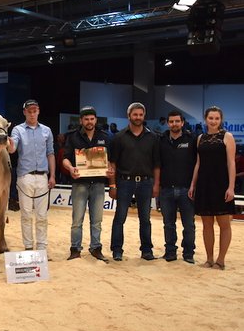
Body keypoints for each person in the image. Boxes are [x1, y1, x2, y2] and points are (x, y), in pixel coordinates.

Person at [108, 102, 160, 261]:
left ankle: (146, 251)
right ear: (128, 115)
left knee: (145, 219)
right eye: (135, 114)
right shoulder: (119, 137)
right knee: (120, 217)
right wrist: (112, 185)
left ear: (144, 116)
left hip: (146, 183)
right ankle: (117, 250)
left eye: (140, 115)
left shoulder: (153, 137)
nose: (138, 117)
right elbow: (112, 164)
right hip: (124, 182)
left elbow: (157, 164)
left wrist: (156, 185)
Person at [188, 106, 236, 270]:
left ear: (220, 120)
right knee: (206, 224)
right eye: (211, 118)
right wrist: (193, 184)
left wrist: (231, 187)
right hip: (204, 185)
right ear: (205, 119)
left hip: (221, 185)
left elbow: (231, 163)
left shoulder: (227, 137)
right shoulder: (200, 138)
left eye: (216, 118)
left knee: (224, 224)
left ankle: (220, 260)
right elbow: (198, 163)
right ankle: (209, 259)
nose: (213, 121)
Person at [62, 106, 112, 261]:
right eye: (86, 119)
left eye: (92, 119)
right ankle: (75, 249)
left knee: (97, 220)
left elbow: (110, 160)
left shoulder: (105, 137)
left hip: (98, 184)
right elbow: (65, 158)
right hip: (79, 184)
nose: (89, 122)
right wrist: (70, 168)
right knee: (77, 220)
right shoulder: (72, 137)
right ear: (81, 120)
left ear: (96, 120)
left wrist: (109, 169)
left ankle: (96, 248)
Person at [8, 99, 56, 252]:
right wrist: (7, 141)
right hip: (25, 176)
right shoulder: (17, 130)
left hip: (42, 176)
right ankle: (28, 247)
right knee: (26, 214)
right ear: (24, 112)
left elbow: (50, 153)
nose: (32, 113)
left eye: (35, 110)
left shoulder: (46, 130)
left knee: (42, 216)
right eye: (29, 111)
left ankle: (42, 248)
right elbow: (12, 149)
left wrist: (52, 175)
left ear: (38, 111)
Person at [157, 110, 197, 264]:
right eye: (171, 121)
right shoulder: (161, 140)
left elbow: (197, 164)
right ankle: (170, 252)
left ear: (182, 122)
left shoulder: (192, 140)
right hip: (166, 189)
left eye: (177, 121)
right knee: (168, 224)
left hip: (186, 189)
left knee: (189, 224)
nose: (174, 124)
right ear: (168, 123)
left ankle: (188, 253)